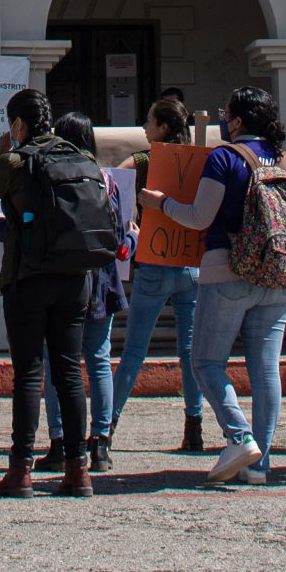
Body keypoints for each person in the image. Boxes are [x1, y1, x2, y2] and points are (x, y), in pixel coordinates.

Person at [143, 84, 286, 486]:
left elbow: (198, 217)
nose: (223, 121)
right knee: (266, 371)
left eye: (226, 114)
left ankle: (239, 435)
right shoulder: (283, 159)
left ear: (239, 119)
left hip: (229, 269)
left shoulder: (224, 158)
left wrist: (159, 203)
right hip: (279, 274)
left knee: (206, 362)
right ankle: (259, 464)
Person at [0, 88, 100, 499]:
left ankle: (21, 470)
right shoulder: (82, 158)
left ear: (19, 124)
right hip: (75, 276)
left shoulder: (15, 160)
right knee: (68, 373)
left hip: (27, 276)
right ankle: (79, 470)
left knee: (28, 373)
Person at [107, 93, 206, 456]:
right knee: (190, 352)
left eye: (149, 122)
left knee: (134, 350)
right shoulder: (198, 160)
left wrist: (129, 216)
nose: (145, 128)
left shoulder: (147, 159)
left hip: (154, 263)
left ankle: (107, 426)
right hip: (190, 264)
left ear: (163, 127)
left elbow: (117, 176)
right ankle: (193, 426)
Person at [38, 111, 129, 474]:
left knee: (56, 362)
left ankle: (59, 442)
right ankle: (101, 444)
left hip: (62, 277)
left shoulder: (51, 176)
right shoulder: (107, 180)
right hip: (102, 280)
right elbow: (119, 238)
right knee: (99, 359)